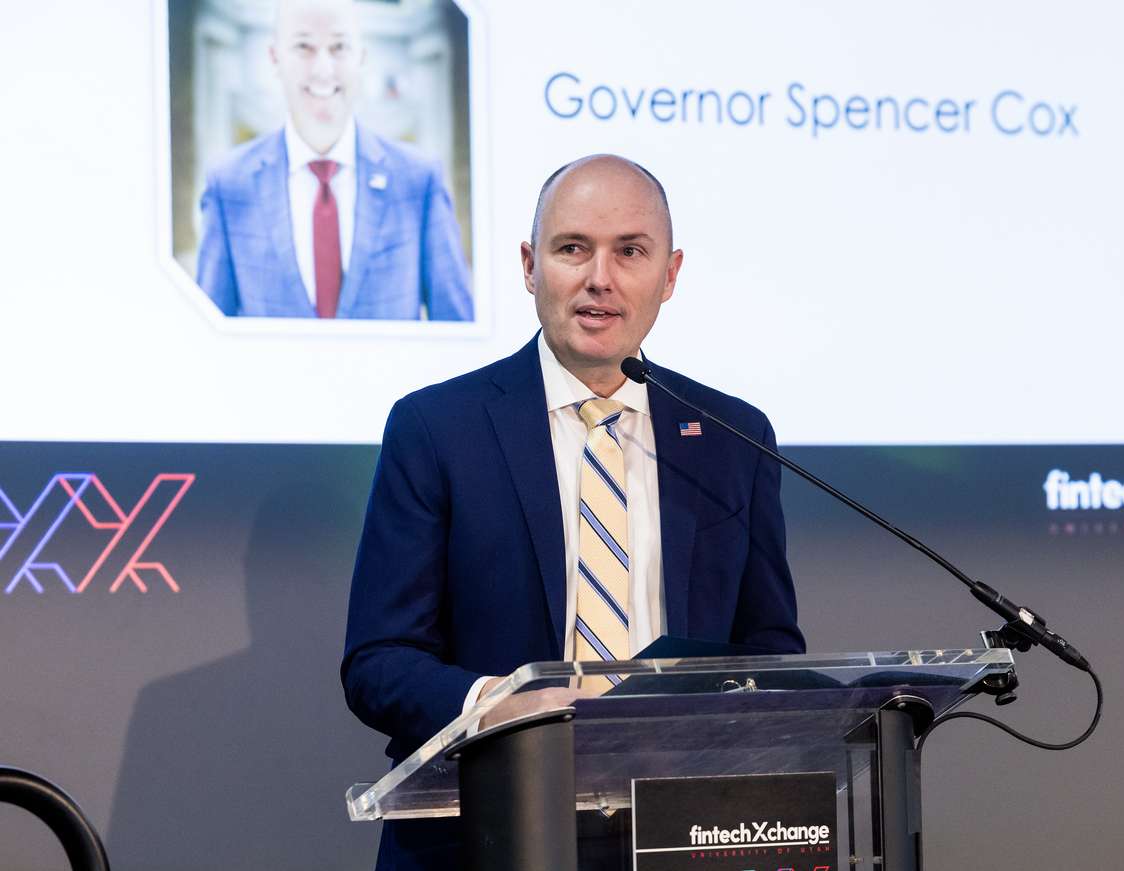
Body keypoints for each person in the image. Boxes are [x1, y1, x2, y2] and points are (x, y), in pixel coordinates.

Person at [341, 154, 804, 869]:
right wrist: (495, 702)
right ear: (530, 265)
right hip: (485, 831)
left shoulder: (732, 437)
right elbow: (378, 661)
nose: (601, 278)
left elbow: (770, 653)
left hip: (683, 834)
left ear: (670, 275)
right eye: (572, 249)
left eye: (630, 252)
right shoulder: (437, 428)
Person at [195, 0, 472, 320]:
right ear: (275, 57)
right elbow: (209, 338)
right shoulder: (230, 183)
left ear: (361, 57)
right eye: (303, 47)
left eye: (339, 47)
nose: (323, 69)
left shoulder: (418, 180)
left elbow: (456, 324)